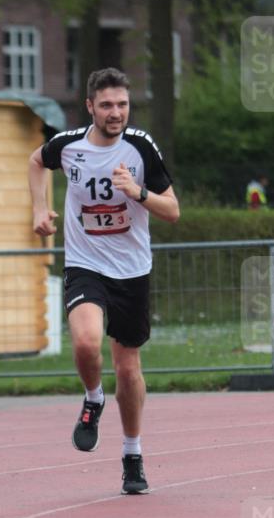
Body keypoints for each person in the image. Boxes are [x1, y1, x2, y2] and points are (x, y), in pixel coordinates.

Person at [28, 67, 180, 495]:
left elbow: (173, 211)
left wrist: (138, 193)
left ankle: (132, 455)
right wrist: (40, 209)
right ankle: (93, 399)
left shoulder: (140, 148)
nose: (117, 113)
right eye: (108, 105)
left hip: (132, 269)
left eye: (123, 105)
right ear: (90, 106)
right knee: (85, 342)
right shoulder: (69, 145)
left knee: (128, 369)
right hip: (85, 263)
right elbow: (36, 161)